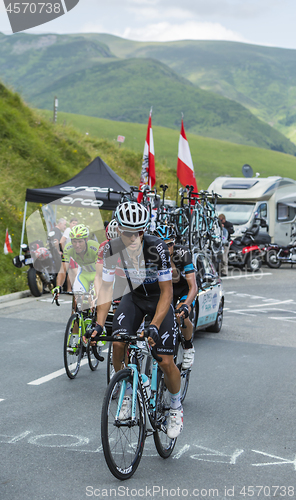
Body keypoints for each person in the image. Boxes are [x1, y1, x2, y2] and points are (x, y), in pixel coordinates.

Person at [91, 201, 183, 439]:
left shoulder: (157, 248)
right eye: (128, 232)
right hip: (133, 297)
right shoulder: (111, 249)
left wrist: (153, 326)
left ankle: (175, 407)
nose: (134, 238)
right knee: (119, 343)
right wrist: (99, 324)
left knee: (164, 360)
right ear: (118, 230)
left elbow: (167, 293)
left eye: (139, 232)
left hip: (158, 301)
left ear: (145, 231)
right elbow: (107, 291)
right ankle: (128, 389)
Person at [153, 225, 198, 369]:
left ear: (174, 243)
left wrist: (186, 304)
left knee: (181, 315)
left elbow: (193, 286)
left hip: (184, 289)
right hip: (166, 290)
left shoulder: (183, 253)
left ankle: (188, 346)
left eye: (170, 244)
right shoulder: (152, 255)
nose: (167, 248)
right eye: (162, 245)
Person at [52, 223, 100, 299]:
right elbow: (63, 270)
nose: (77, 245)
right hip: (83, 275)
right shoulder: (68, 248)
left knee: (94, 298)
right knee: (77, 297)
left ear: (86, 240)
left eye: (80, 241)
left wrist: (95, 288)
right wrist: (58, 286)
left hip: (97, 275)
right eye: (74, 241)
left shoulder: (95, 247)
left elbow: (101, 272)